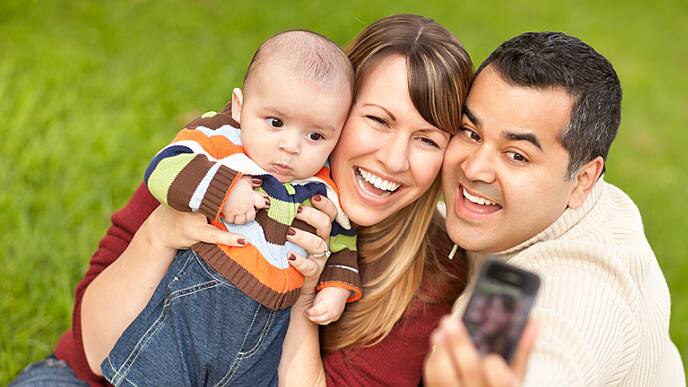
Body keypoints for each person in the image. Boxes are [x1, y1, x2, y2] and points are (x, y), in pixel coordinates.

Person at [10, 14, 473, 386]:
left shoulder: (431, 274)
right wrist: (160, 234)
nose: (393, 159)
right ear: (338, 104)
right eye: (378, 120)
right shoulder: (224, 160)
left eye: (427, 140)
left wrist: (301, 290)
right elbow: (90, 350)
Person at [98, 30, 362, 386]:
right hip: (192, 314)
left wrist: (337, 284)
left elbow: (345, 238)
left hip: (267, 333)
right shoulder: (221, 141)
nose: (290, 146)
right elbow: (162, 169)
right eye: (275, 122)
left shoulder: (319, 184)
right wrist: (224, 189)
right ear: (239, 106)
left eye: (315, 136)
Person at [424, 32, 685, 386]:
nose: (473, 169)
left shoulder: (586, 286)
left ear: (583, 179)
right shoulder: (537, 209)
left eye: (516, 155)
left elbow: (555, 355)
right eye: (471, 132)